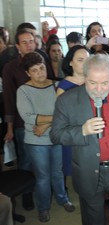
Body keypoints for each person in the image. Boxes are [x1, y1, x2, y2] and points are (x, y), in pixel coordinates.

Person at [50, 54, 109, 225]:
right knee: (93, 219)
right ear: (84, 77)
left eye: (105, 83)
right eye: (93, 83)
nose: (99, 89)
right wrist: (82, 130)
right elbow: (55, 135)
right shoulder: (66, 100)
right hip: (88, 171)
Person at [16, 52, 75, 222]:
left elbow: (65, 112)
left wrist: (46, 124)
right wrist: (53, 118)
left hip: (55, 136)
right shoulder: (24, 90)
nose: (40, 73)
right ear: (28, 73)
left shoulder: (57, 86)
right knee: (43, 177)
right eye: (34, 70)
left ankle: (63, 199)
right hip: (35, 140)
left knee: (57, 172)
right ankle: (43, 207)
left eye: (41, 68)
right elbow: (28, 116)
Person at [2, 28, 54, 211]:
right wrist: (9, 127)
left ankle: (49, 191)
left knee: (50, 161)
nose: (29, 44)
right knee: (26, 160)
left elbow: (53, 88)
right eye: (24, 42)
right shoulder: (10, 67)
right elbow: (8, 98)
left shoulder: (42, 59)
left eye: (31, 40)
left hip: (49, 120)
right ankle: (26, 194)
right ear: (17, 46)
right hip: (21, 122)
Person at [57, 45, 90, 188]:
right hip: (76, 131)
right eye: (80, 60)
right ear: (70, 62)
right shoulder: (64, 85)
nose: (85, 64)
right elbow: (60, 116)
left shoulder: (93, 81)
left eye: (87, 60)